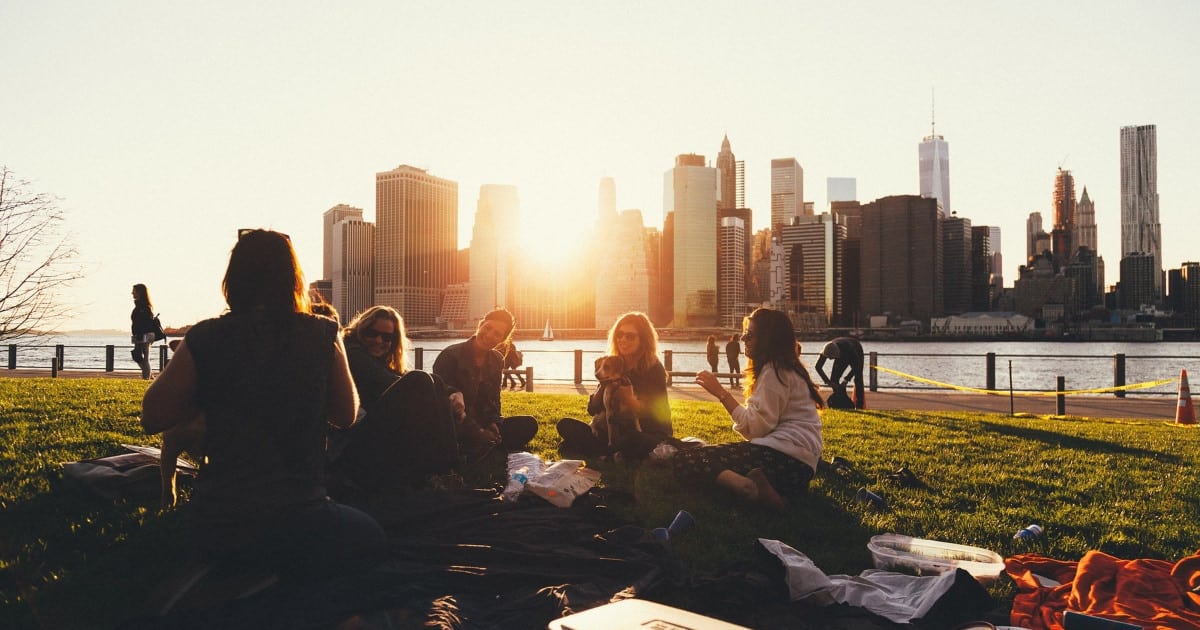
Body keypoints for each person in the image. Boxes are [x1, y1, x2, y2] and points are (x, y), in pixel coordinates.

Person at [140, 230, 383, 579]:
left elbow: (153, 416)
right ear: (293, 279)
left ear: (232, 280)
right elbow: (346, 415)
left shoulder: (205, 336)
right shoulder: (323, 332)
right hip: (300, 519)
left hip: (220, 523)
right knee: (371, 535)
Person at [674, 307, 825, 512]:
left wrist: (721, 393)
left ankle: (748, 488)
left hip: (782, 457)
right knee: (713, 461)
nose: (744, 339)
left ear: (767, 339)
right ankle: (773, 493)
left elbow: (754, 429)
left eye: (750, 335)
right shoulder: (788, 369)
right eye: (745, 333)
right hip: (801, 468)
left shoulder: (774, 371)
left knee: (687, 459)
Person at [330, 305, 462, 497]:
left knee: (436, 382)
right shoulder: (353, 353)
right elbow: (394, 382)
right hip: (350, 445)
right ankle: (446, 471)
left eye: (386, 337)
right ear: (361, 330)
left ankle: (448, 471)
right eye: (372, 333)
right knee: (420, 380)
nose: (378, 341)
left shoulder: (377, 361)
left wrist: (454, 392)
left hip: (369, 437)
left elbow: (398, 376)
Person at [556, 312, 673, 461]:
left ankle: (601, 451)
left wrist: (630, 400)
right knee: (565, 425)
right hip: (614, 430)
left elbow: (657, 415)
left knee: (633, 440)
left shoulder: (654, 369)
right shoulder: (613, 364)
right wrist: (603, 387)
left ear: (643, 340)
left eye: (630, 336)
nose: (623, 340)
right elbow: (592, 410)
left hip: (646, 431)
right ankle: (608, 452)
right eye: (619, 334)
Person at [431, 308, 538, 460]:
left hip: (481, 421)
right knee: (452, 434)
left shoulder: (496, 359)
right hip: (455, 423)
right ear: (480, 325)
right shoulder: (450, 355)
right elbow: (443, 404)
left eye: (497, 334)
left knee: (528, 424)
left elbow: (494, 399)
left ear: (502, 340)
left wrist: (494, 422)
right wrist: (479, 433)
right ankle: (477, 446)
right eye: (487, 328)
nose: (489, 336)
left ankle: (483, 446)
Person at [815, 336, 866, 410]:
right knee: (834, 379)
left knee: (858, 377)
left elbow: (856, 366)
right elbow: (818, 367)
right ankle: (840, 401)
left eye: (832, 358)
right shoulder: (826, 349)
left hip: (855, 348)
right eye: (828, 357)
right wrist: (828, 382)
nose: (830, 359)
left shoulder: (849, 350)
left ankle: (859, 405)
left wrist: (846, 380)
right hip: (840, 350)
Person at [130, 284, 157, 380]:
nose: (132, 293)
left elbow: (143, 322)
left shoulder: (143, 307)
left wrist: (138, 335)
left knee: (143, 356)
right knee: (138, 356)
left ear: (139, 292)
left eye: (134, 291)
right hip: (141, 334)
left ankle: (146, 377)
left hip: (144, 334)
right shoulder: (142, 306)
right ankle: (148, 374)